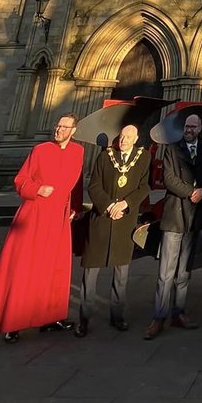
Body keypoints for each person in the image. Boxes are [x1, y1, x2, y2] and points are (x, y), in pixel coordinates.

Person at [0, 113, 83, 342]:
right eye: (58, 125)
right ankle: (12, 322)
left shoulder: (78, 152)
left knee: (54, 268)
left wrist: (75, 207)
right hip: (34, 216)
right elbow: (21, 180)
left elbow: (76, 183)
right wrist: (37, 189)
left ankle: (50, 317)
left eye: (64, 127)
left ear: (74, 130)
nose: (59, 130)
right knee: (24, 266)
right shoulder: (40, 150)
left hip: (59, 218)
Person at [143, 112, 202, 340]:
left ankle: (179, 312)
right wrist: (191, 192)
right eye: (187, 126)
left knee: (184, 271)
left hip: (195, 218)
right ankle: (159, 316)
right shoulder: (172, 149)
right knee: (166, 271)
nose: (189, 129)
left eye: (194, 126)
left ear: (200, 128)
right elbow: (168, 178)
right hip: (175, 215)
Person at [76, 122, 150, 336]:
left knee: (121, 273)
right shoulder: (105, 156)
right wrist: (108, 206)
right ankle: (84, 318)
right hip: (101, 219)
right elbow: (94, 185)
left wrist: (125, 205)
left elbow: (144, 186)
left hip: (125, 221)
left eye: (129, 137)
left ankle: (118, 316)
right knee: (90, 273)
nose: (124, 140)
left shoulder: (143, 158)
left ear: (136, 139)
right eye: (122, 136)